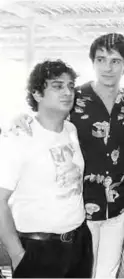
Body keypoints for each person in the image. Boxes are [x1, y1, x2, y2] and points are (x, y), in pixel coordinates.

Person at [11, 33, 124, 278]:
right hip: (81, 210)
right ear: (92, 62)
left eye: (115, 61)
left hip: (119, 206)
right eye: (100, 59)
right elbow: (44, 121)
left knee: (107, 273)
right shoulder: (74, 97)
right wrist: (19, 119)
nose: (107, 67)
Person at [0, 60, 93, 277]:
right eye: (58, 86)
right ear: (37, 94)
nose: (68, 91)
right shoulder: (18, 137)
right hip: (38, 248)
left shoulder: (70, 129)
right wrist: (17, 255)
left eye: (71, 86)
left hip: (79, 242)